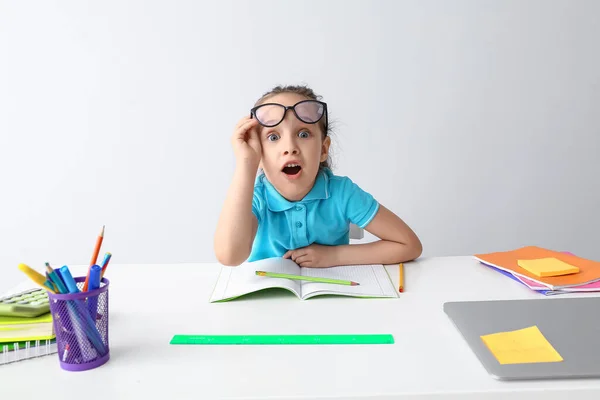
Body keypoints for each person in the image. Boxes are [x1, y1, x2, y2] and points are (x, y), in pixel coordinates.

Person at [214, 85, 422, 267]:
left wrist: (334, 256)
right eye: (274, 136)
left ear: (323, 149)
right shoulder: (255, 197)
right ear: (259, 153)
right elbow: (229, 256)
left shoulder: (342, 193)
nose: (290, 147)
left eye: (303, 134)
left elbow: (409, 245)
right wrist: (246, 163)